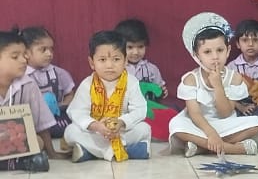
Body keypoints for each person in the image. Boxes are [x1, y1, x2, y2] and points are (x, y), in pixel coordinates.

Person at [169, 18, 258, 157]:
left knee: (257, 123)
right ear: (197, 55)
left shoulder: (235, 78)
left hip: (225, 124)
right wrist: (211, 134)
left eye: (220, 50)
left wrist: (218, 86)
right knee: (176, 124)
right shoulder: (191, 79)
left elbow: (225, 113)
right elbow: (195, 114)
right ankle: (235, 148)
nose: (215, 57)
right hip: (200, 126)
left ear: (228, 50)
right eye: (207, 52)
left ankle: (201, 147)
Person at [65, 30, 151, 162]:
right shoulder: (87, 84)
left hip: (120, 131)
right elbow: (77, 112)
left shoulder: (131, 82)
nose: (109, 65)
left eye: (116, 59)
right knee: (70, 131)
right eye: (102, 60)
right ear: (92, 63)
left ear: (125, 61)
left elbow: (139, 110)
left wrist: (121, 122)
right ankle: (125, 150)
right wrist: (96, 126)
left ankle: (91, 152)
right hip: (96, 132)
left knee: (144, 128)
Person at [0, 28, 53, 171]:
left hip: (15, 141)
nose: (24, 60)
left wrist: (52, 153)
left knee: (38, 141)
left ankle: (11, 163)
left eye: (24, 55)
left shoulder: (28, 84)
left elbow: (41, 123)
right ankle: (18, 164)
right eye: (15, 57)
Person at [22, 25, 74, 146]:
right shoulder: (20, 76)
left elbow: (70, 94)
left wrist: (62, 106)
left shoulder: (59, 73)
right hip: (33, 121)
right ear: (26, 53)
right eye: (43, 49)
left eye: (51, 49)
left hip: (57, 118)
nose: (49, 53)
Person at [228, 18, 258, 125]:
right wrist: (240, 107)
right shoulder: (232, 66)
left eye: (255, 40)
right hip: (240, 104)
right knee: (228, 109)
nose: (250, 44)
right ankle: (256, 122)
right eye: (245, 40)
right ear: (238, 44)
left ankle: (253, 121)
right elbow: (227, 92)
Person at [115, 18, 166, 96]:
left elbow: (159, 89)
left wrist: (162, 92)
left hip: (146, 103)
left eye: (140, 46)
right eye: (130, 47)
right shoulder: (115, 68)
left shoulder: (152, 69)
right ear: (119, 47)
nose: (136, 52)